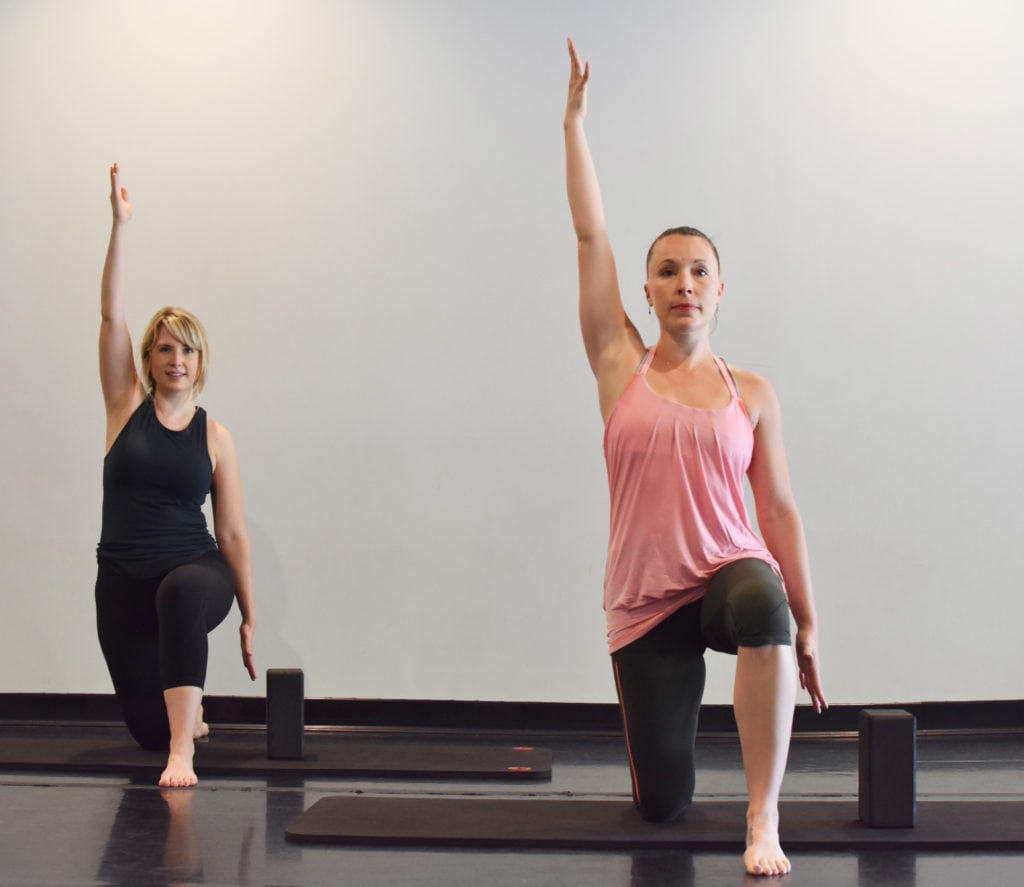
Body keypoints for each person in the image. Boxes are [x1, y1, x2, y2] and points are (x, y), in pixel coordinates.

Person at [563, 39, 826, 877]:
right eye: (667, 271)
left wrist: (807, 617)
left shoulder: (751, 391)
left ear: (720, 289)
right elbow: (590, 232)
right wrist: (574, 124)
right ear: (646, 291)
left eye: (698, 271)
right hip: (645, 601)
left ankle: (763, 816)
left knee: (762, 598)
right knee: (661, 805)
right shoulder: (619, 364)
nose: (684, 282)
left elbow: (778, 509)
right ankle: (678, 761)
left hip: (726, 575)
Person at [96, 163, 257, 788]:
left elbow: (235, 533)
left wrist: (247, 613)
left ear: (200, 359)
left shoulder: (216, 437)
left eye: (186, 348)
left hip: (195, 570)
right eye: (164, 347)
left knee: (183, 593)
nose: (176, 359)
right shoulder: (123, 409)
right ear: (149, 358)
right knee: (147, 732)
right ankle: (183, 726)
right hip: (122, 586)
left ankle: (183, 755)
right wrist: (120, 227)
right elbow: (111, 317)